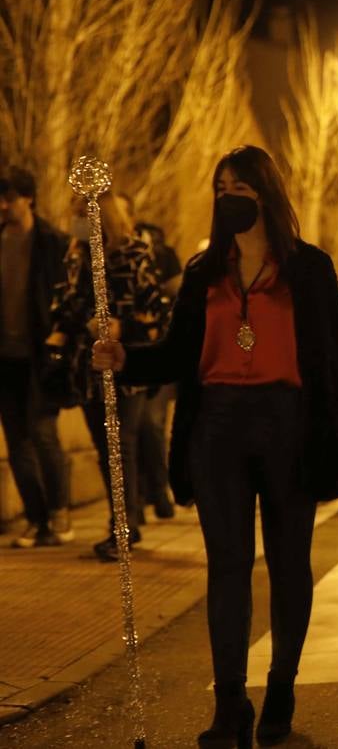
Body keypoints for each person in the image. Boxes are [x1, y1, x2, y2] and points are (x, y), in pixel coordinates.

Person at [92, 145, 338, 747]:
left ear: (266, 194)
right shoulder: (202, 272)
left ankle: (282, 687)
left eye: (240, 186)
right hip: (218, 427)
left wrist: (336, 430)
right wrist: (127, 358)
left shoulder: (310, 269)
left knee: (289, 564)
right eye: (221, 186)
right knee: (228, 568)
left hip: (289, 425)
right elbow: (181, 354)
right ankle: (230, 703)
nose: (228, 197)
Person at [50, 192, 165, 561]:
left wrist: (122, 325)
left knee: (122, 444)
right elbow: (64, 299)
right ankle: (126, 518)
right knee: (105, 448)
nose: (79, 220)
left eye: (86, 213)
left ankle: (124, 527)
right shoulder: (75, 255)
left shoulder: (133, 254)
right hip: (88, 365)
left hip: (125, 363)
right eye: (77, 213)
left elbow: (153, 309)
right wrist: (79, 320)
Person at [0, 166, 73, 548]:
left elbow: (65, 297)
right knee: (16, 441)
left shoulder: (51, 242)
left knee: (43, 433)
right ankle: (36, 518)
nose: (2, 205)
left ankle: (59, 511)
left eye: (9, 197)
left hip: (39, 353)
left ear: (28, 198)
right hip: (5, 357)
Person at [127, 195, 182, 520]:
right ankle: (140, 501)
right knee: (131, 431)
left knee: (152, 424)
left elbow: (176, 293)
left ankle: (159, 491)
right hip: (133, 355)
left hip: (157, 349)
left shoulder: (161, 255)